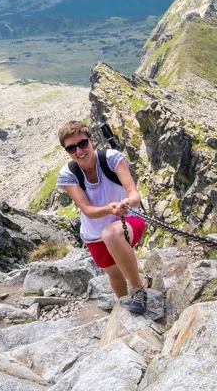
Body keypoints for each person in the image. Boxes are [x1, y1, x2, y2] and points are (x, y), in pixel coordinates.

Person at [56, 120, 148, 314]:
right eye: (71, 148)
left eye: (82, 144)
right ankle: (124, 307)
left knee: (111, 234)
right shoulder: (69, 174)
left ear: (92, 140)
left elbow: (134, 193)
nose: (79, 151)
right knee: (114, 274)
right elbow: (87, 209)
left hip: (127, 221)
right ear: (67, 152)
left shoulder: (112, 159)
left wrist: (126, 204)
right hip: (93, 234)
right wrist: (108, 209)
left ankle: (138, 290)